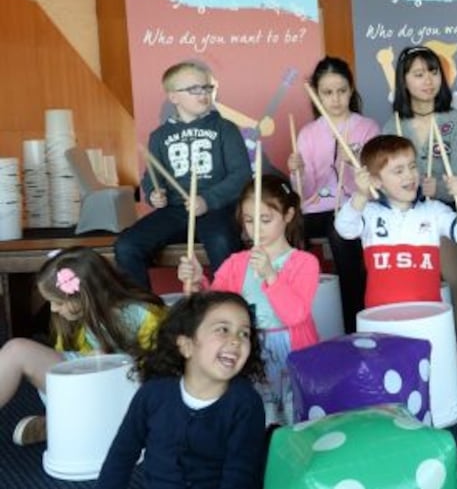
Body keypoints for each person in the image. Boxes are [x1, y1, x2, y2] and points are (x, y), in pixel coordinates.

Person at [178, 174, 319, 425]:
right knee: (256, 414)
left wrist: (271, 276)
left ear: (288, 215)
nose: (256, 229)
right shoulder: (236, 263)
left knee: (295, 412)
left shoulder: (304, 262)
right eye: (249, 220)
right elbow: (216, 309)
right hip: (248, 349)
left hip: (292, 351)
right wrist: (199, 282)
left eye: (265, 220)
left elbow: (296, 315)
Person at [96, 291, 266, 489]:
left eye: (244, 333)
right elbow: (121, 456)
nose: (236, 340)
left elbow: (240, 476)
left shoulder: (246, 403)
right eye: (223, 330)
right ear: (186, 346)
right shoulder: (152, 394)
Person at [4, 247, 165, 446]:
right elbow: (65, 361)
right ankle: (67, 422)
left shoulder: (143, 315)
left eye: (58, 302)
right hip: (83, 390)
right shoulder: (69, 318)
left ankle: (66, 425)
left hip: (125, 393)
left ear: (87, 295)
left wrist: (110, 364)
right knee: (16, 350)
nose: (53, 309)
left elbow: (163, 371)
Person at [115, 60, 250, 290]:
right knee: (126, 246)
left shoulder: (225, 129)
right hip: (176, 211)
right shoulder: (159, 136)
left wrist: (207, 201)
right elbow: (152, 178)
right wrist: (154, 194)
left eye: (207, 88)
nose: (203, 94)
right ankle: (146, 312)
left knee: (222, 242)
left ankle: (230, 307)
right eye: (194, 89)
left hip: (216, 210)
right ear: (173, 96)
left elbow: (242, 175)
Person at [382, 46, 457, 343]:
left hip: (445, 207)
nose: (428, 80)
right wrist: (414, 191)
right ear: (404, 81)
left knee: (444, 229)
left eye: (433, 72)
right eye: (418, 74)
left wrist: (441, 187)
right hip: (405, 211)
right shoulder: (393, 126)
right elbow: (388, 178)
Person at [335, 135, 457, 308]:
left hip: (428, 316)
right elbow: (345, 228)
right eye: (398, 171)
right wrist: (361, 194)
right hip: (381, 317)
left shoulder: (434, 210)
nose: (409, 175)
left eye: (412, 167)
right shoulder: (369, 212)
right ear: (375, 181)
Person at [288, 56, 380, 332]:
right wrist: (298, 172)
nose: (336, 99)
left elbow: (375, 182)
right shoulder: (308, 133)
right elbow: (303, 193)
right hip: (315, 208)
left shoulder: (367, 128)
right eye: (327, 93)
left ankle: (354, 321)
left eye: (341, 91)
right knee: (287, 229)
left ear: (351, 91)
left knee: (341, 232)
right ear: (317, 94)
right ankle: (295, 316)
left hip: (355, 204)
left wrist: (356, 166)